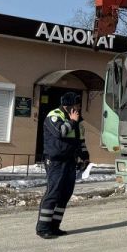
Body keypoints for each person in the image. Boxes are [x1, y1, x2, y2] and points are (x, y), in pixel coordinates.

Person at [37, 91, 89, 239]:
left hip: (70, 161)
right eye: (77, 105)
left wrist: (85, 157)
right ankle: (43, 228)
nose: (79, 107)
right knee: (53, 193)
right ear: (69, 106)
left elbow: (81, 142)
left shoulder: (78, 121)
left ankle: (54, 227)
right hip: (56, 161)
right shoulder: (54, 115)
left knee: (65, 194)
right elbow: (60, 132)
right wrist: (72, 121)